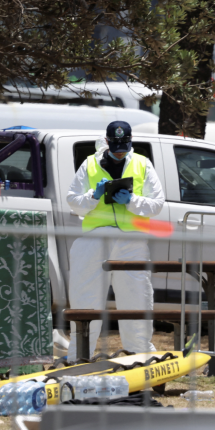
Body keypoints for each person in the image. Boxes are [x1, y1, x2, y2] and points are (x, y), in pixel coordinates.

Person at [66, 121, 165, 358]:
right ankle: (79, 356)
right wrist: (93, 195)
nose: (121, 151)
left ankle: (139, 354)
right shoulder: (89, 163)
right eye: (116, 145)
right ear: (107, 142)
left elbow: (157, 204)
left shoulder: (142, 163)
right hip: (94, 240)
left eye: (125, 145)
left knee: (136, 297)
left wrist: (131, 201)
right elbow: (72, 200)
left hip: (131, 241)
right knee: (85, 298)